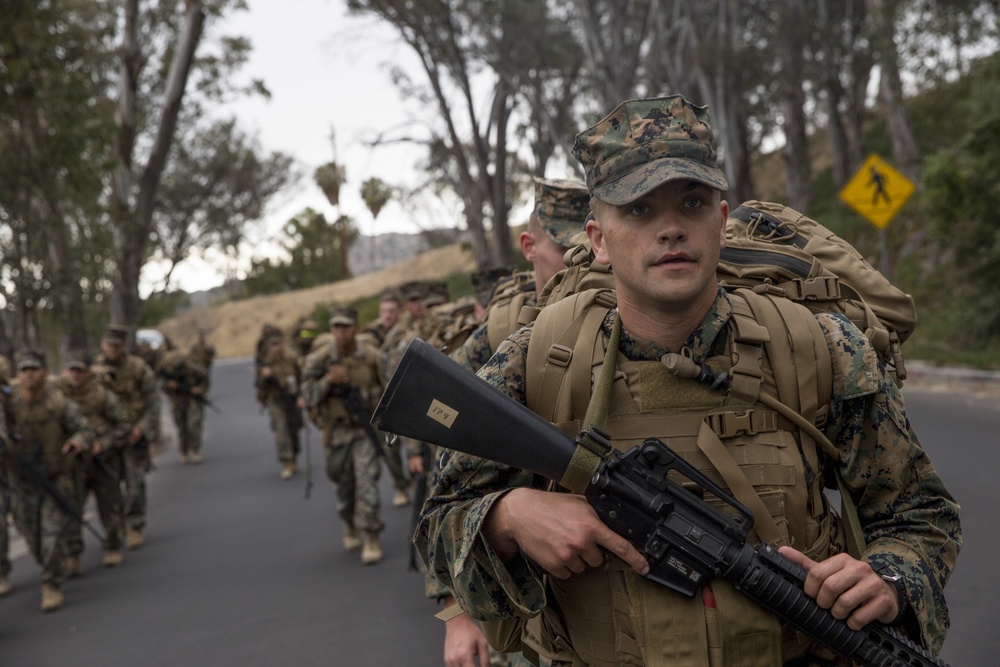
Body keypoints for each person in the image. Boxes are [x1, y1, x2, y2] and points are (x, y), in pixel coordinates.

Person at [417, 95, 962, 666]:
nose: (672, 229)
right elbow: (438, 528)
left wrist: (889, 577)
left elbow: (920, 513)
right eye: (639, 210)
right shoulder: (535, 362)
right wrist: (509, 519)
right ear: (597, 241)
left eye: (693, 202)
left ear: (721, 224)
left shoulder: (820, 348)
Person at [422, 179, 590, 667]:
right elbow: (445, 483)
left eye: (588, 241)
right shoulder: (497, 339)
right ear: (530, 246)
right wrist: (455, 614)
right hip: (513, 592)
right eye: (565, 246)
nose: (581, 257)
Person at [0, 349, 95, 611]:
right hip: (22, 484)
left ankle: (51, 585)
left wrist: (78, 441)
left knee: (52, 535)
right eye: (23, 370)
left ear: (44, 372)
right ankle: (52, 566)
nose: (29, 375)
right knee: (34, 538)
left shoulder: (59, 403)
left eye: (34, 369)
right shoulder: (9, 407)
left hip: (55, 480)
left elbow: (84, 429)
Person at [302, 306, 387, 565]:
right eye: (335, 327)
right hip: (335, 433)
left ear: (356, 329)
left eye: (345, 327)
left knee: (367, 483)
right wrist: (328, 381)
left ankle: (371, 535)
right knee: (344, 488)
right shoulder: (318, 360)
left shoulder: (372, 357)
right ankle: (349, 522)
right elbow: (307, 396)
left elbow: (389, 391)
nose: (339, 332)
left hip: (365, 431)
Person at [56, 350, 132, 572]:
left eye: (80, 371)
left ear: (88, 373)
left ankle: (112, 546)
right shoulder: (58, 398)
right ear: (64, 372)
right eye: (71, 370)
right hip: (73, 464)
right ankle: (73, 554)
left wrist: (105, 443)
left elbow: (123, 424)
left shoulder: (102, 396)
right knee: (70, 508)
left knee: (109, 504)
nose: (75, 375)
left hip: (101, 460)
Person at [94, 324, 160, 550]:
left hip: (133, 435)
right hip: (108, 437)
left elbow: (153, 401)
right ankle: (116, 525)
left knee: (135, 483)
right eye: (109, 345)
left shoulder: (138, 368)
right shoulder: (94, 371)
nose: (113, 349)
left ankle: (134, 525)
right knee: (109, 486)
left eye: (117, 345)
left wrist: (142, 428)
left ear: (124, 345)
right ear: (103, 345)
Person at [256, 331, 303, 479]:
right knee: (281, 430)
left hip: (292, 398)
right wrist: (264, 377)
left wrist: (302, 396)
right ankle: (286, 462)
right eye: (273, 345)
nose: (276, 347)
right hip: (275, 400)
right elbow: (259, 385)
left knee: (294, 427)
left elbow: (303, 377)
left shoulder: (292, 358)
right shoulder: (266, 363)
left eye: (278, 344)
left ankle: (294, 454)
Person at [159, 344, 210, 464]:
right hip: (177, 400)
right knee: (182, 426)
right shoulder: (167, 372)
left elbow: (205, 379)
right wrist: (170, 386)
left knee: (194, 424)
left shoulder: (192, 368)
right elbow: (163, 387)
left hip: (192, 399)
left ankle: (196, 450)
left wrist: (199, 390)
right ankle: (184, 452)